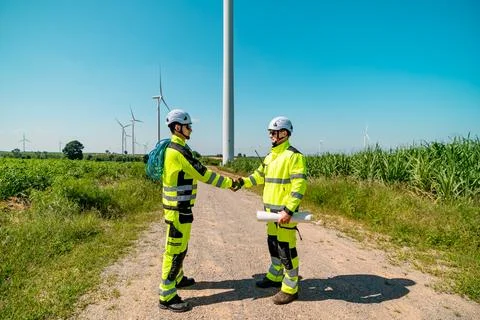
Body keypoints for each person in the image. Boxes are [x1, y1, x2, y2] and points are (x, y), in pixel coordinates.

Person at [159, 109, 241, 312]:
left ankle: (177, 278)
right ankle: (167, 295)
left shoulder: (177, 148)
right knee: (174, 251)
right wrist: (229, 183)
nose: (191, 129)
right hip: (177, 209)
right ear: (178, 127)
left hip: (181, 208)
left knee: (182, 247)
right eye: (188, 126)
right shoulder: (178, 152)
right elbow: (203, 174)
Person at [232, 116, 307, 305]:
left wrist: (289, 210)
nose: (271, 136)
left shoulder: (294, 156)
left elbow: (299, 185)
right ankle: (275, 276)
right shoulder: (271, 155)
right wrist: (242, 182)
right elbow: (258, 176)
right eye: (270, 132)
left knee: (286, 248)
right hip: (270, 212)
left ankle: (290, 288)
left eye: (274, 132)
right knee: (273, 243)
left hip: (284, 214)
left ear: (285, 133)